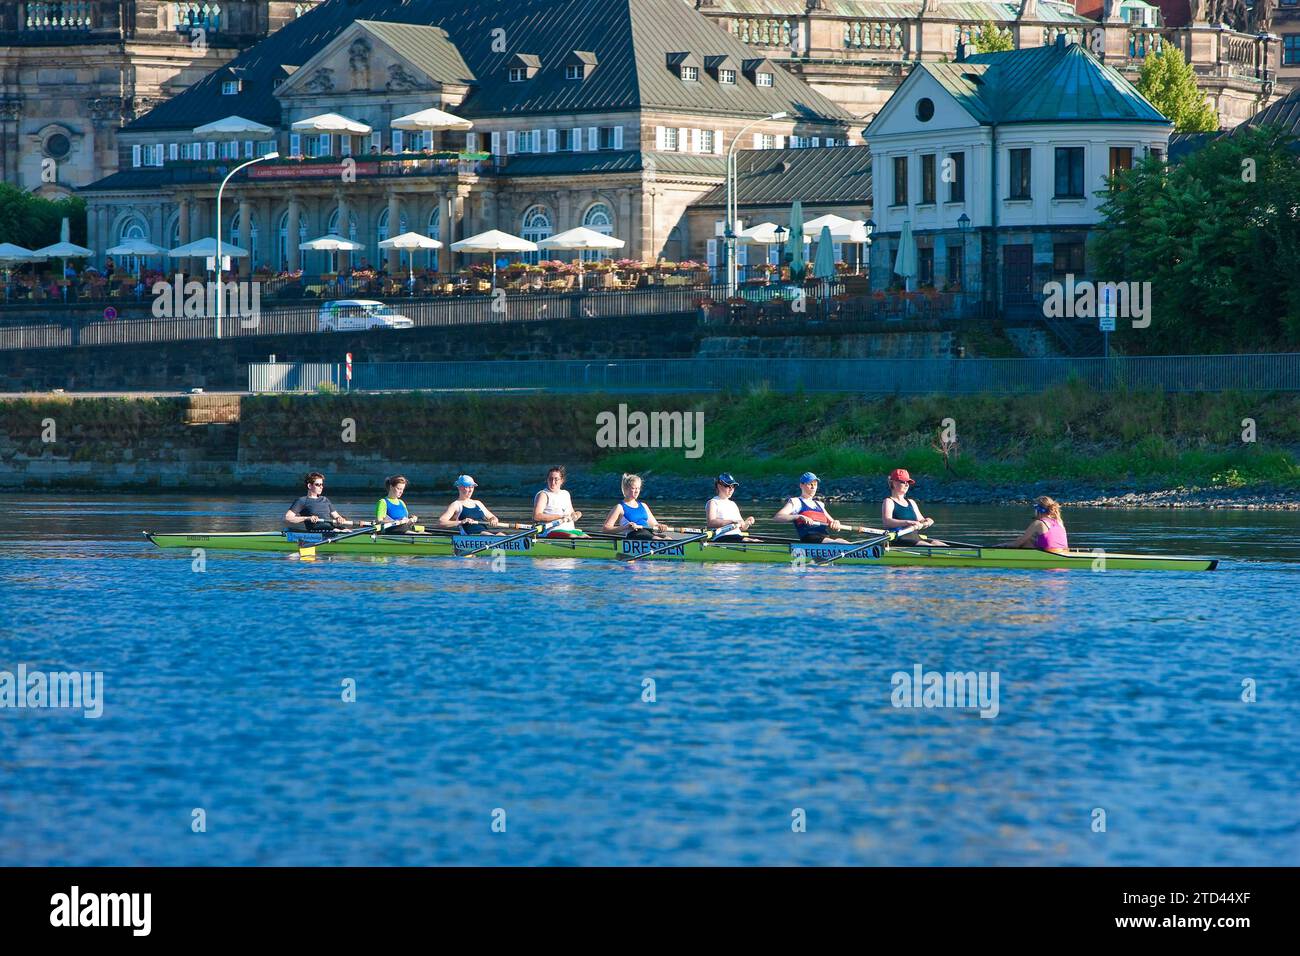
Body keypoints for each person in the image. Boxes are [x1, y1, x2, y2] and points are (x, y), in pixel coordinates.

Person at [774, 472, 849, 543]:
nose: (813, 487)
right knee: (838, 542)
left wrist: (836, 523)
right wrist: (798, 516)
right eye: (810, 484)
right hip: (810, 539)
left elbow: (835, 525)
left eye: (815, 484)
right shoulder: (796, 502)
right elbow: (778, 517)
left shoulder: (820, 504)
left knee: (841, 540)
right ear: (801, 485)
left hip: (825, 539)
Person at [881, 468, 943, 545]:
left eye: (908, 482)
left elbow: (921, 520)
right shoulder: (889, 501)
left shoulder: (911, 502)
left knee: (941, 545)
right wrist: (908, 522)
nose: (907, 484)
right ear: (893, 483)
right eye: (903, 482)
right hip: (898, 538)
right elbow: (887, 522)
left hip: (915, 537)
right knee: (931, 547)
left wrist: (928, 520)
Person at [602, 473, 666, 540]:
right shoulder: (619, 507)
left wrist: (661, 527)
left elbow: (655, 525)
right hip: (634, 535)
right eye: (633, 488)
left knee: (668, 538)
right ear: (625, 489)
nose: (637, 491)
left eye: (638, 488)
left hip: (648, 533)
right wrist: (625, 527)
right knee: (657, 539)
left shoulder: (644, 506)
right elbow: (606, 529)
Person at [284, 472, 354, 531]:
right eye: (318, 484)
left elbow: (336, 516)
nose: (321, 487)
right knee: (335, 530)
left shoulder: (325, 499)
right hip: (315, 530)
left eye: (322, 484)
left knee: (344, 529)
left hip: (330, 529)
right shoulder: (302, 501)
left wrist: (340, 518)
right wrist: (307, 518)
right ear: (309, 486)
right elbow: (288, 518)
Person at [998, 497, 1070, 552]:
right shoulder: (1059, 522)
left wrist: (1001, 545)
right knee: (1030, 540)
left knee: (1023, 541)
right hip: (1064, 552)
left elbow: (1016, 544)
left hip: (1049, 553)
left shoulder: (1038, 523)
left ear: (1038, 510)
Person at [532, 466, 587, 537]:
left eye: (556, 479)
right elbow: (537, 516)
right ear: (547, 480)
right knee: (572, 536)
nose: (553, 482)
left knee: (587, 537)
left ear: (562, 480)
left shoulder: (566, 494)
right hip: (552, 530)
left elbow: (572, 513)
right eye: (550, 479)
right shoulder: (543, 495)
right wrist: (560, 517)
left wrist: (577, 514)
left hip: (570, 530)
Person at [439, 475, 503, 535]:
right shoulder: (456, 505)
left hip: (485, 534)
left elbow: (492, 517)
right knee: (492, 535)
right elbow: (441, 522)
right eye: (467, 487)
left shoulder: (478, 503)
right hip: (471, 536)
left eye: (472, 487)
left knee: (501, 534)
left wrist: (493, 519)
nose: (470, 490)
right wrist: (461, 522)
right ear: (460, 487)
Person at [706, 473, 755, 543]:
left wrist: (747, 522)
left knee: (756, 541)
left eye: (733, 486)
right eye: (728, 486)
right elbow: (711, 523)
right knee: (752, 541)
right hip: (721, 537)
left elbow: (742, 528)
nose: (731, 489)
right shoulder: (713, 502)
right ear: (719, 486)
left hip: (736, 536)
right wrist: (731, 522)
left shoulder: (733, 504)